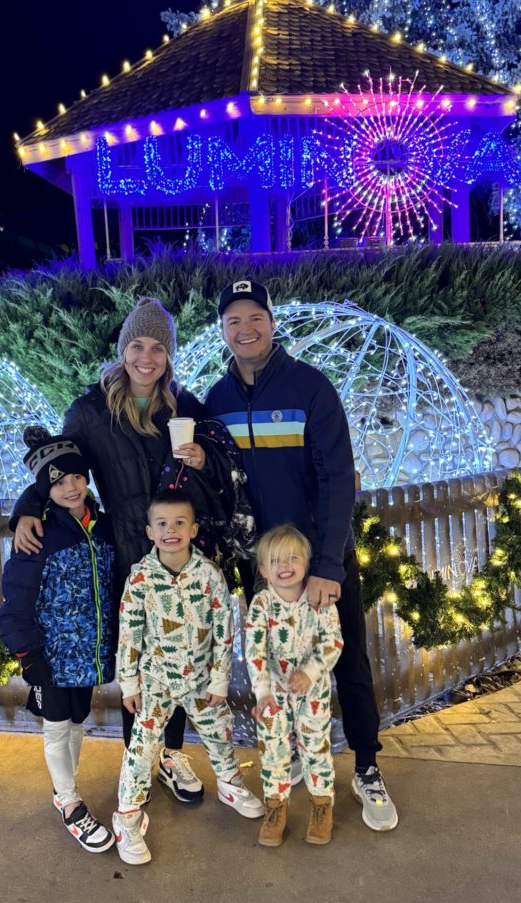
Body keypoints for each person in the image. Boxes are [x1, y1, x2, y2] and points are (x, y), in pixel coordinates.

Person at [205, 278, 399, 832]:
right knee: (271, 664)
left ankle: (366, 766)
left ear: (272, 321)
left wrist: (328, 567)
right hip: (261, 568)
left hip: (319, 560)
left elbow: (338, 477)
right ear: (224, 330)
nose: (246, 329)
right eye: (234, 321)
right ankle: (288, 761)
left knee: (348, 661)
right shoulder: (215, 401)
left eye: (255, 317)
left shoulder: (310, 387)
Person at [10, 298, 216, 803]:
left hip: (175, 550)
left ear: (169, 356)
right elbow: (58, 465)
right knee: (141, 661)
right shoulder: (91, 410)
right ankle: (139, 762)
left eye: (158, 348)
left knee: (179, 652)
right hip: (126, 553)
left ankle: (168, 754)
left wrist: (205, 456)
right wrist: (27, 508)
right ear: (123, 350)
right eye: (137, 346)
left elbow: (221, 461)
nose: (147, 358)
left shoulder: (184, 405)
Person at [111, 489, 264, 865]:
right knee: (141, 751)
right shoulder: (140, 579)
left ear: (193, 528)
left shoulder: (210, 575)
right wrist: (128, 683)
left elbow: (224, 630)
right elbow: (129, 633)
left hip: (200, 681)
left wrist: (219, 679)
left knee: (219, 732)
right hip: (155, 683)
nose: (171, 530)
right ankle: (127, 818)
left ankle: (230, 784)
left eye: (180, 523)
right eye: (162, 524)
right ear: (150, 531)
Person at [0, 426, 117, 853]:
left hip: (88, 655)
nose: (71, 487)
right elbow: (17, 599)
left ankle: (68, 787)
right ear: (44, 489)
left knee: (78, 721)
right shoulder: (37, 535)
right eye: (59, 481)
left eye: (77, 478)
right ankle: (68, 801)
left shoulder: (102, 527)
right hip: (50, 655)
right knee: (56, 727)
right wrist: (28, 653)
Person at [246, 524, 343, 847]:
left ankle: (321, 805)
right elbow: (254, 651)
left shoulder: (318, 599)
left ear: (307, 562)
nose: (285, 567)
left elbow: (333, 642)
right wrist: (262, 693)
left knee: (316, 747)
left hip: (311, 691)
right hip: (272, 692)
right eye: (275, 561)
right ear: (263, 569)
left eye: (292, 559)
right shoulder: (261, 604)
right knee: (273, 750)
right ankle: (276, 807)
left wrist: (312, 672)